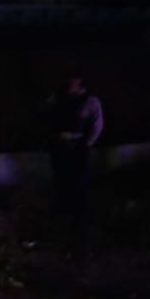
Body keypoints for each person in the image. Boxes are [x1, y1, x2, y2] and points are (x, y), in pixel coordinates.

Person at [46, 74, 103, 258]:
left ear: (80, 82)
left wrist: (87, 143)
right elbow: (48, 118)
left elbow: (97, 124)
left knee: (80, 187)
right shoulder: (58, 99)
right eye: (68, 80)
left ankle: (82, 229)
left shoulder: (90, 101)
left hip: (79, 148)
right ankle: (64, 225)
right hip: (60, 149)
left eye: (74, 80)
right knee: (62, 186)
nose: (70, 83)